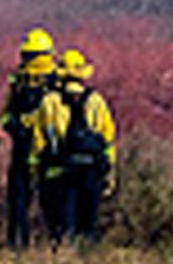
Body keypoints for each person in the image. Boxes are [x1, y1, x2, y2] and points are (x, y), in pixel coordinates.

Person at [43, 48, 117, 243]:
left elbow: (40, 141)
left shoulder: (50, 101)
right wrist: (109, 172)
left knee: (64, 228)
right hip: (92, 172)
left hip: (62, 173)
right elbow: (108, 137)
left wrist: (38, 173)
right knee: (88, 226)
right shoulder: (96, 101)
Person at [1, 28, 60, 249]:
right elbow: (8, 110)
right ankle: (17, 247)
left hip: (48, 150)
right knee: (17, 200)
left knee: (51, 201)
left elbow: (54, 115)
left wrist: (27, 122)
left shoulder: (57, 82)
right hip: (22, 147)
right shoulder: (19, 81)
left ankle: (56, 246)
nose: (28, 61)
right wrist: (8, 124)